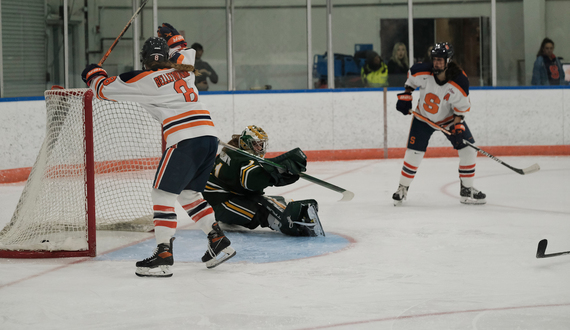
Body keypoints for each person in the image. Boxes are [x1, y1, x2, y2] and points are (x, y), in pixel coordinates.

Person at [81, 35, 236, 277]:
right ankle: (218, 241)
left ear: (144, 61)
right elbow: (183, 50)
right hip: (208, 136)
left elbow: (101, 89)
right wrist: (174, 38)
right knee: (188, 193)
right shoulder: (185, 68)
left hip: (184, 138)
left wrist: (92, 72)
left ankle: (164, 255)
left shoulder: (141, 79)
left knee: (161, 193)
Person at [392, 42, 486, 206]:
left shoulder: (459, 81)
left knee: (469, 150)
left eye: (441, 60)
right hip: (423, 118)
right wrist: (406, 96)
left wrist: (457, 127)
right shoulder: (421, 71)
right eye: (435, 59)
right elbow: (410, 82)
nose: (437, 63)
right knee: (414, 153)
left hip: (448, 120)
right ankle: (402, 188)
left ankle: (467, 190)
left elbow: (460, 110)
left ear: (448, 60)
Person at [202, 125, 325, 237]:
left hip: (229, 194)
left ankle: (295, 214)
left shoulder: (233, 151)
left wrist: (277, 172)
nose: (260, 148)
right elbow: (250, 181)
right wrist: (277, 172)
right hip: (219, 202)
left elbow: (250, 185)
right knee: (261, 212)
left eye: (261, 144)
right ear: (245, 144)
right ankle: (290, 225)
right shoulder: (241, 159)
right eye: (256, 144)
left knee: (271, 201)